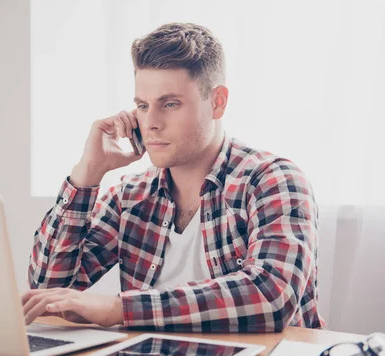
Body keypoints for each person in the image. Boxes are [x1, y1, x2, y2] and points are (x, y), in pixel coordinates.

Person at [22, 22, 325, 332]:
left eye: (170, 104)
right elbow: (48, 290)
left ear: (217, 102)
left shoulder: (273, 181)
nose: (151, 123)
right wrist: (87, 173)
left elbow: (270, 297)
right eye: (142, 105)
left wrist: (119, 309)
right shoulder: (130, 196)